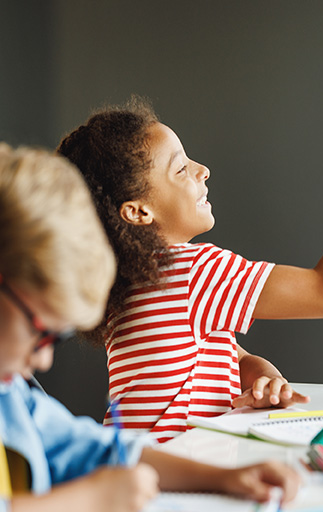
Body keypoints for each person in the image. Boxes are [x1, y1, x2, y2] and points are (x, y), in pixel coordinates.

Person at [57, 52, 323, 442]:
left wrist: (264, 377)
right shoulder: (187, 272)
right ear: (137, 211)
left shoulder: (141, 282)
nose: (203, 170)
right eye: (181, 169)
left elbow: (230, 356)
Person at [0, 144, 300, 511]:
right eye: (40, 332)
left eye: (55, 340)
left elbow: (101, 450)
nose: (44, 360)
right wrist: (90, 500)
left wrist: (223, 478)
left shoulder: (12, 397)